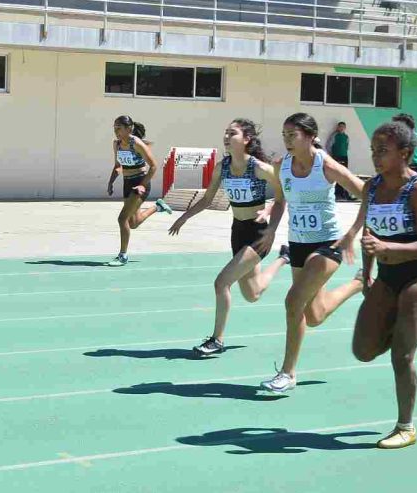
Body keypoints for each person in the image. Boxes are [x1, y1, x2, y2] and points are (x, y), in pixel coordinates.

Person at [350, 120, 417, 449]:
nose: (375, 157)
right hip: (386, 276)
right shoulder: (372, 188)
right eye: (373, 150)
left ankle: (405, 426)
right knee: (363, 350)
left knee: (402, 356)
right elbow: (370, 235)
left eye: (383, 151)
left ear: (405, 153)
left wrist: (388, 249)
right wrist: (367, 271)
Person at [260, 113, 367, 394]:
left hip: (328, 245)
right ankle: (358, 283)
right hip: (298, 244)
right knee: (315, 314)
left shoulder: (327, 165)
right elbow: (280, 201)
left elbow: (367, 193)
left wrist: (352, 233)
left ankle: (288, 373)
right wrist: (271, 229)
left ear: (310, 136)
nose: (286, 141)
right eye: (284, 135)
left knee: (293, 302)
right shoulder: (281, 167)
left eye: (292, 135)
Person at [168, 119, 290, 356]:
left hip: (258, 234)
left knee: (221, 282)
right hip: (238, 232)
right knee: (252, 293)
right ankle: (284, 259)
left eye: (232, 133)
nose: (226, 136)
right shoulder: (222, 167)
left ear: (246, 140)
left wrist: (270, 223)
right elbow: (207, 199)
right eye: (225, 132)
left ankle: (217, 340)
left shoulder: (259, 168)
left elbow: (281, 196)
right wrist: (184, 217)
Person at [106, 115, 172, 266]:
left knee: (122, 219)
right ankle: (158, 206)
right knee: (133, 223)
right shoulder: (116, 144)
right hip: (127, 183)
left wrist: (142, 184)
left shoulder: (136, 143)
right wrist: (110, 182)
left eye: (119, 128)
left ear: (129, 129)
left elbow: (154, 166)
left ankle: (122, 256)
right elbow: (118, 166)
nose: (116, 131)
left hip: (140, 183)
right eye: (114, 127)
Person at [326, 121, 351, 201]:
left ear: (345, 128)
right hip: (336, 156)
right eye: (340, 126)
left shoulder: (346, 136)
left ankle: (344, 193)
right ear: (338, 127)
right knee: (336, 174)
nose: (341, 128)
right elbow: (328, 145)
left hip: (344, 156)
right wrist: (332, 155)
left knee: (344, 174)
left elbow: (347, 146)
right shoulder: (334, 135)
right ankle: (336, 193)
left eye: (343, 127)